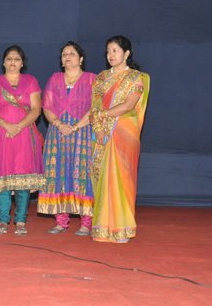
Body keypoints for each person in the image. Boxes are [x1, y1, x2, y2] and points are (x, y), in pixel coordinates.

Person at [90, 35, 150, 243]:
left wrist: (103, 115)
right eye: (108, 51)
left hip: (125, 133)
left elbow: (128, 105)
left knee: (122, 179)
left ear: (127, 53)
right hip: (102, 132)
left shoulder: (136, 78)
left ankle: (122, 228)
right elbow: (94, 106)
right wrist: (98, 128)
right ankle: (103, 228)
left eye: (115, 50)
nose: (110, 55)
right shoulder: (100, 78)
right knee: (103, 178)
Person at [0, 45, 44, 236]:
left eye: (16, 59)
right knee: (3, 177)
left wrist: (18, 126)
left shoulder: (31, 81)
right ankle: (3, 220)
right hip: (1, 134)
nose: (12, 62)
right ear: (3, 62)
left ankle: (21, 221)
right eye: (9, 58)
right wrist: (6, 125)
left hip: (24, 134)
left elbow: (36, 109)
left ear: (22, 63)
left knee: (23, 178)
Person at [37, 41, 96, 236]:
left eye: (71, 53)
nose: (67, 56)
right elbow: (46, 106)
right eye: (64, 54)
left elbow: (95, 108)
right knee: (58, 174)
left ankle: (86, 223)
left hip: (83, 132)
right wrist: (60, 125)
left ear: (81, 59)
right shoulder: (55, 79)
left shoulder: (91, 79)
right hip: (58, 132)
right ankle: (61, 221)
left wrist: (76, 126)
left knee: (83, 174)